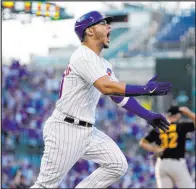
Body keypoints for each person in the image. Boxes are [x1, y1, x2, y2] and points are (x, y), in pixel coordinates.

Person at [30, 11, 172, 188]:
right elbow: (106, 87)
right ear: (89, 31)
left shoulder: (103, 63)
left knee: (117, 164)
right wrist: (144, 89)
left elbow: (118, 96)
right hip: (65, 129)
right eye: (104, 24)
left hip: (87, 131)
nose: (109, 27)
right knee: (45, 186)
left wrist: (148, 115)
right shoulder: (82, 55)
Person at [139, 105, 195, 188]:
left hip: (161, 165)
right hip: (176, 164)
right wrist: (188, 112)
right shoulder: (181, 126)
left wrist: (155, 149)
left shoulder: (159, 127)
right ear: (178, 115)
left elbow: (142, 142)